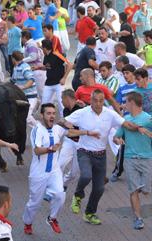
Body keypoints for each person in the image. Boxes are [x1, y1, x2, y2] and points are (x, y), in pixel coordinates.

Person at [61, 89, 142, 225]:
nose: (98, 103)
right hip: (84, 152)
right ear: (90, 100)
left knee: (99, 188)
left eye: (100, 100)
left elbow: (126, 124)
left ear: (103, 100)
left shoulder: (109, 114)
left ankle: (89, 213)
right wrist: (67, 124)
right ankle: (78, 195)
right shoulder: (82, 113)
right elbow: (63, 121)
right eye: (95, 100)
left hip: (101, 155)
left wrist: (140, 127)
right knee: (86, 175)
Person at [23, 103, 100, 234]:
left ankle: (52, 218)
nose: (52, 116)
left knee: (60, 195)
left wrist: (87, 133)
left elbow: (70, 132)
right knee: (34, 203)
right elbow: (36, 150)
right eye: (48, 113)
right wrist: (50, 149)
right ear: (42, 115)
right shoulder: (37, 130)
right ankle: (28, 223)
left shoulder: (57, 128)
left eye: (53, 113)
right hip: (38, 173)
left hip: (54, 171)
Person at [113, 92, 152, 230]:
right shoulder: (126, 119)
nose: (124, 105)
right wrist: (118, 140)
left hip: (146, 158)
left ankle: (141, 187)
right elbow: (116, 137)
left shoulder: (148, 119)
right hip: (129, 159)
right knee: (132, 190)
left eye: (126, 103)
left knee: (146, 190)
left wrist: (148, 133)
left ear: (132, 103)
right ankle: (138, 218)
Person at [111, 64, 137, 182]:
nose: (125, 76)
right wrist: (121, 113)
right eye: (124, 74)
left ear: (133, 73)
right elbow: (117, 104)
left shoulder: (139, 87)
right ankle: (117, 171)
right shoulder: (122, 88)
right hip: (127, 122)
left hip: (140, 121)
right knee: (123, 147)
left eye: (127, 73)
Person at [37, 39, 72, 117]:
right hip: (48, 83)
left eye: (42, 48)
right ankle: (46, 120)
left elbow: (70, 65)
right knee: (44, 103)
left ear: (45, 48)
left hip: (58, 83)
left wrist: (64, 78)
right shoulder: (46, 56)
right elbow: (47, 67)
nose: (42, 49)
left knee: (61, 103)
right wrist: (37, 68)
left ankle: (64, 120)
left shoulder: (57, 55)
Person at [59, 89, 83, 189]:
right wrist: (64, 123)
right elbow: (63, 122)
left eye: (62, 99)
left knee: (74, 173)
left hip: (80, 143)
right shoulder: (65, 110)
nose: (61, 101)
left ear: (67, 98)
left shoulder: (81, 109)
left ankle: (64, 184)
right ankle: (56, 187)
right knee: (60, 164)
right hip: (69, 140)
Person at [11, 51, 37, 127]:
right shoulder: (16, 67)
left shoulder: (24, 67)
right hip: (22, 97)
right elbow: (12, 81)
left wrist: (22, 87)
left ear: (13, 59)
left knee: (27, 118)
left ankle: (39, 129)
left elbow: (31, 79)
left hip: (30, 97)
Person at [21, 30, 45, 100]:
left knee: (40, 93)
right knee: (38, 93)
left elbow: (33, 57)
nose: (21, 40)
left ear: (25, 37)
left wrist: (21, 61)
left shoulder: (31, 44)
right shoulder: (29, 44)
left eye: (21, 38)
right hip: (35, 71)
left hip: (37, 71)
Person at [0, 9, 10, 74]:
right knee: (5, 56)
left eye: (4, 14)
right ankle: (8, 69)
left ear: (7, 15)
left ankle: (8, 69)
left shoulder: (9, 22)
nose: (2, 16)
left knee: (7, 56)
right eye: (1, 14)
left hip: (6, 41)